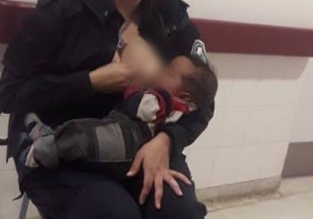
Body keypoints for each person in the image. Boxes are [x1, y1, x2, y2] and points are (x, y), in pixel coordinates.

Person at [0, 0, 214, 219]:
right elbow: (10, 95)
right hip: (64, 147)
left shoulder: (171, 14)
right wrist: (94, 80)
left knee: (182, 215)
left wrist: (167, 142)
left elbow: (202, 96)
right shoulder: (65, 10)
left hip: (142, 145)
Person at [23, 55, 218, 173]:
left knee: (81, 136)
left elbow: (138, 107)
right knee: (83, 134)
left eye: (168, 73)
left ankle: (42, 149)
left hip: (126, 139)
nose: (159, 71)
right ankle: (47, 136)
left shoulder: (165, 99)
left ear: (184, 95)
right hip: (127, 142)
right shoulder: (185, 107)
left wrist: (131, 85)